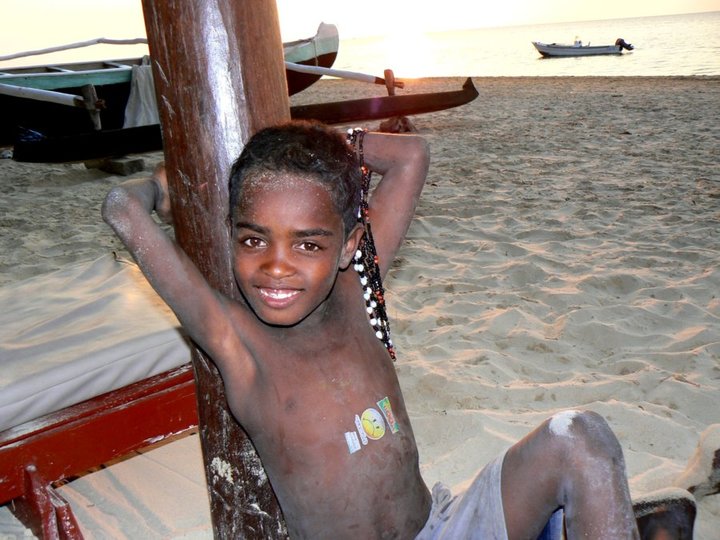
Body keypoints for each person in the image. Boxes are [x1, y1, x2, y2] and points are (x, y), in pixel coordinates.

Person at [103, 120, 643, 539]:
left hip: (443, 527)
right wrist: (157, 186)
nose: (276, 266)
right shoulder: (238, 342)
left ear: (349, 245)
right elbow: (121, 208)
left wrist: (306, 146)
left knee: (581, 437)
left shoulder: (357, 290)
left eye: (308, 244)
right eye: (253, 240)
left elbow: (411, 156)